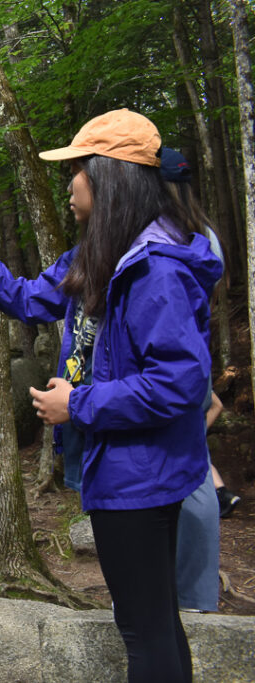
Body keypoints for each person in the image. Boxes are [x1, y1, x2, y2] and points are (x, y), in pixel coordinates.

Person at [0, 109, 221, 683]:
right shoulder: (99, 255)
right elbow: (27, 297)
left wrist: (78, 404)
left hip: (142, 479)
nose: (69, 185)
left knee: (145, 631)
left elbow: (180, 383)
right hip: (128, 470)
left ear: (108, 177)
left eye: (78, 170)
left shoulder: (154, 268)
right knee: (157, 624)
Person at [160, 147, 242, 520]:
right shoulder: (205, 233)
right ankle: (217, 494)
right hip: (197, 347)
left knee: (180, 440)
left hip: (172, 349)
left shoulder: (161, 237)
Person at [160, 148, 222, 613]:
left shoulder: (156, 244)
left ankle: (170, 599)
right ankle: (197, 599)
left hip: (170, 368)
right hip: (196, 364)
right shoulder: (206, 238)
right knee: (196, 475)